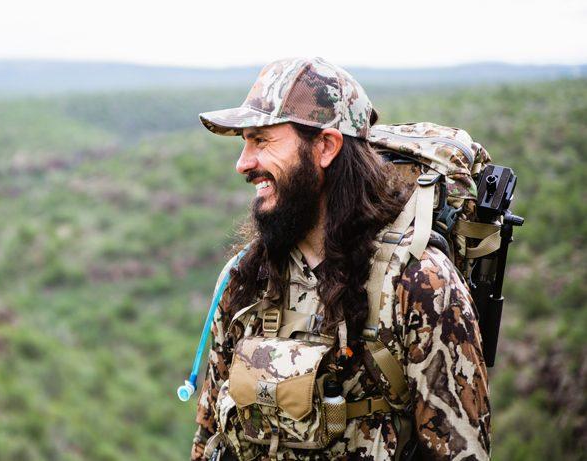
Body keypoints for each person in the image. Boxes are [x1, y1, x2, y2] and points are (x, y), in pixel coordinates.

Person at [190, 57, 491, 460]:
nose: (243, 162)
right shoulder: (248, 279)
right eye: (244, 141)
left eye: (261, 140)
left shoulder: (419, 284)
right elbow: (209, 437)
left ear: (326, 147)